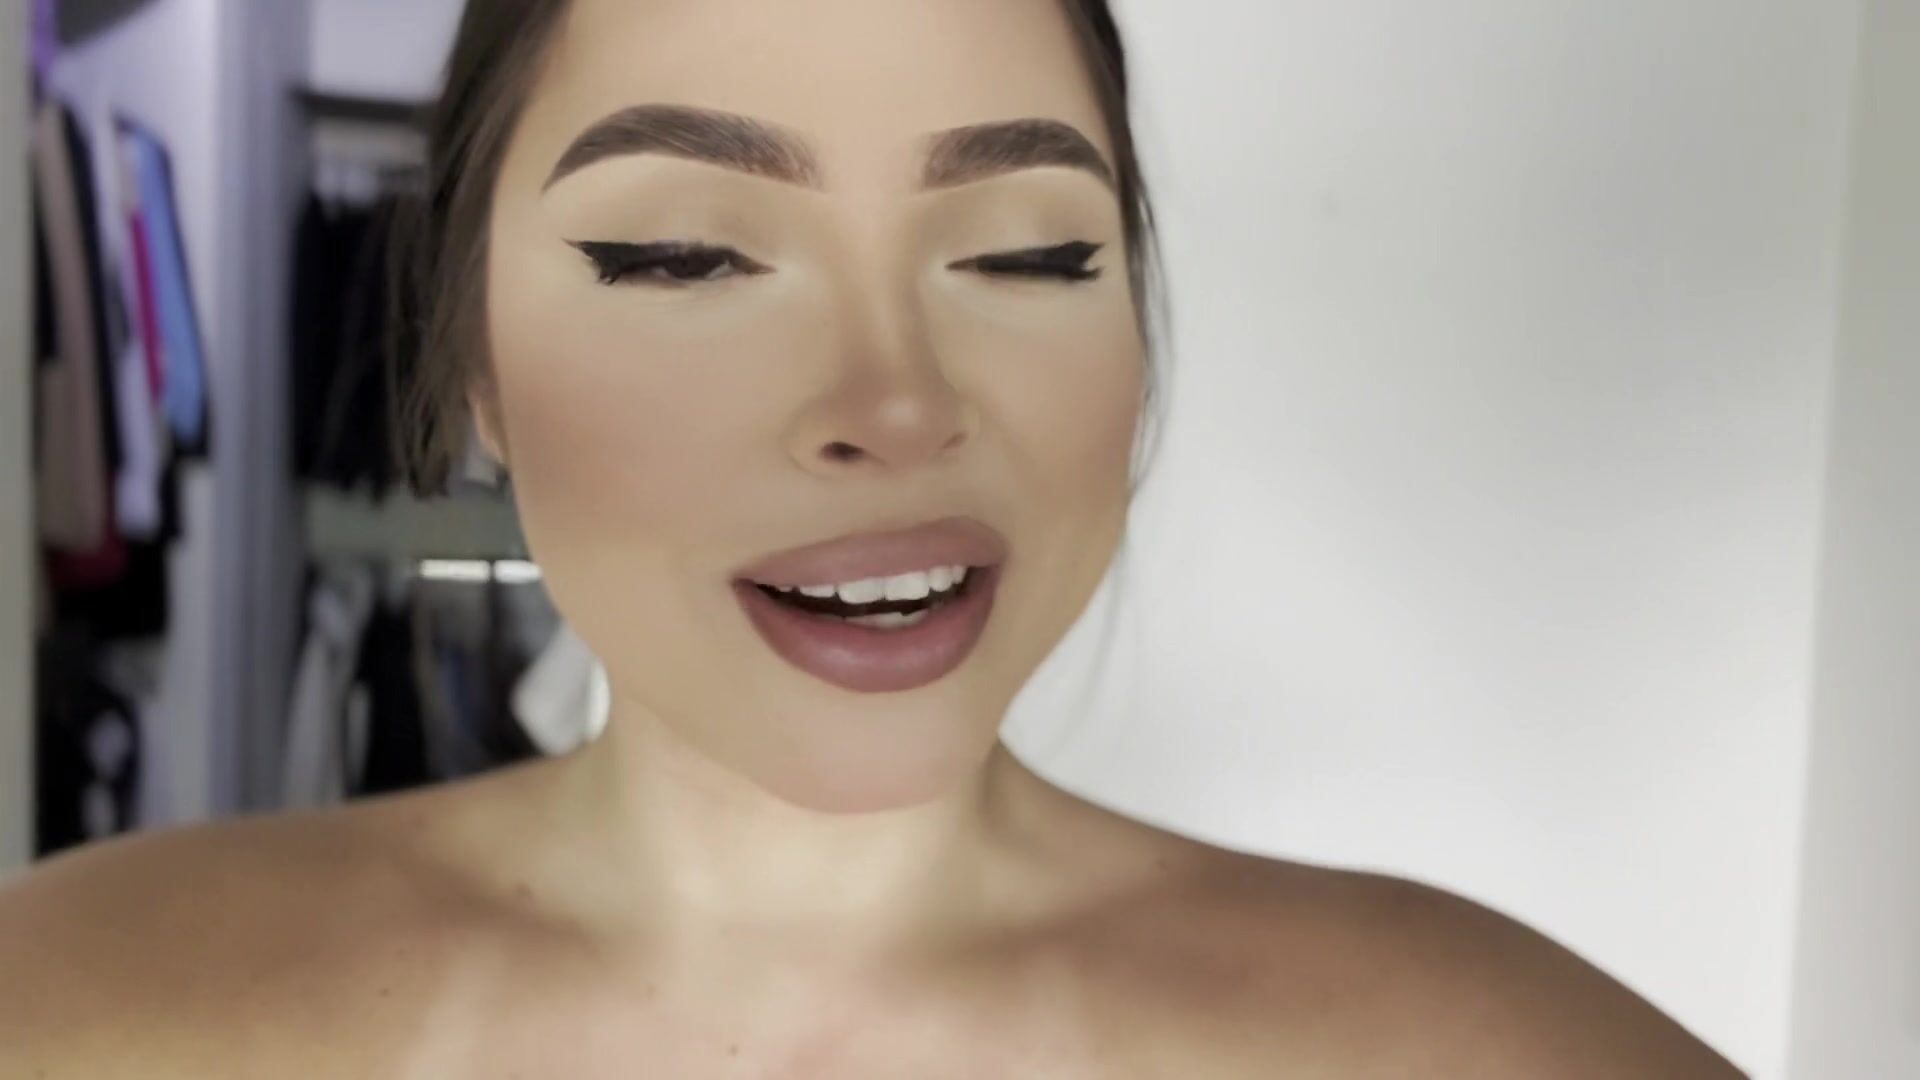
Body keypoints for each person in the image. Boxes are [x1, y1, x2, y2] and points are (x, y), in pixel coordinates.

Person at [0, 1, 1747, 1074]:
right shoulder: (70, 1008)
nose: (895, 405)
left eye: (1028, 255)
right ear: (478, 368)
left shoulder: (1491, 1049)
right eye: (683, 256)